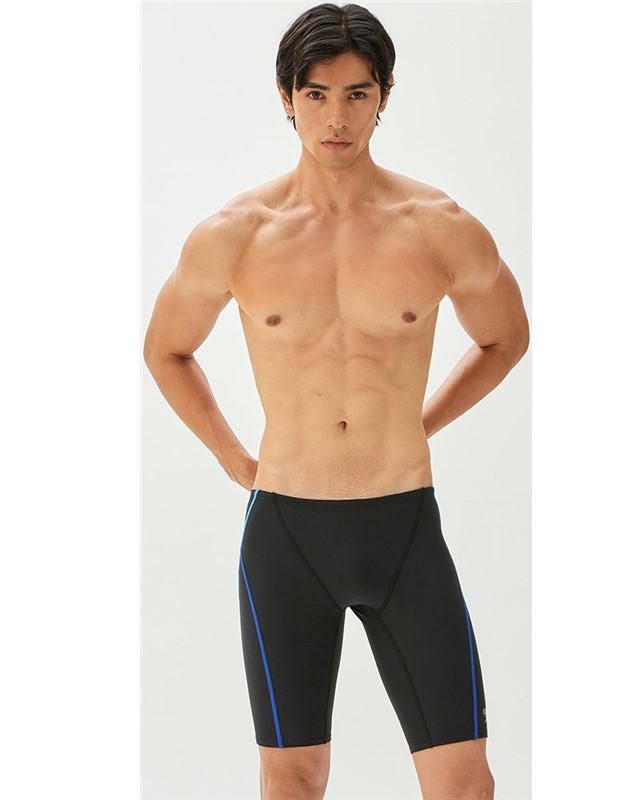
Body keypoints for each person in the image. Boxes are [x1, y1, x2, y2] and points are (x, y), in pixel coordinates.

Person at [143, 3, 528, 798]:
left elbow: (505, 338)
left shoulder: (440, 227)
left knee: (464, 781)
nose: (337, 118)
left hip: (403, 526)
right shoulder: (236, 234)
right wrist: (233, 458)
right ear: (286, 97)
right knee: (293, 778)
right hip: (288, 532)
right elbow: (166, 349)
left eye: (357, 94)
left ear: (385, 95)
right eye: (316, 95)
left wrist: (420, 422)